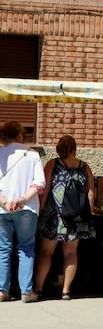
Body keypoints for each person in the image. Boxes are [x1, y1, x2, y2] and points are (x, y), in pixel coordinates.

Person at [34, 135, 96, 300]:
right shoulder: (85, 167)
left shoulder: (53, 164)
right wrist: (88, 214)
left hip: (54, 216)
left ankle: (38, 288)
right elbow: (90, 193)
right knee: (71, 252)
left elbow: (45, 190)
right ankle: (66, 290)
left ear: (59, 149)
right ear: (74, 148)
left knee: (46, 252)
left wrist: (40, 210)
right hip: (76, 218)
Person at [0, 121, 46, 303]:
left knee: (3, 249)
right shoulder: (32, 154)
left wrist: (5, 202)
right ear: (20, 135)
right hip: (27, 209)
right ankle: (26, 291)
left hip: (2, 209)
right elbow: (39, 183)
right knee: (26, 248)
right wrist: (23, 199)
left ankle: (2, 291)